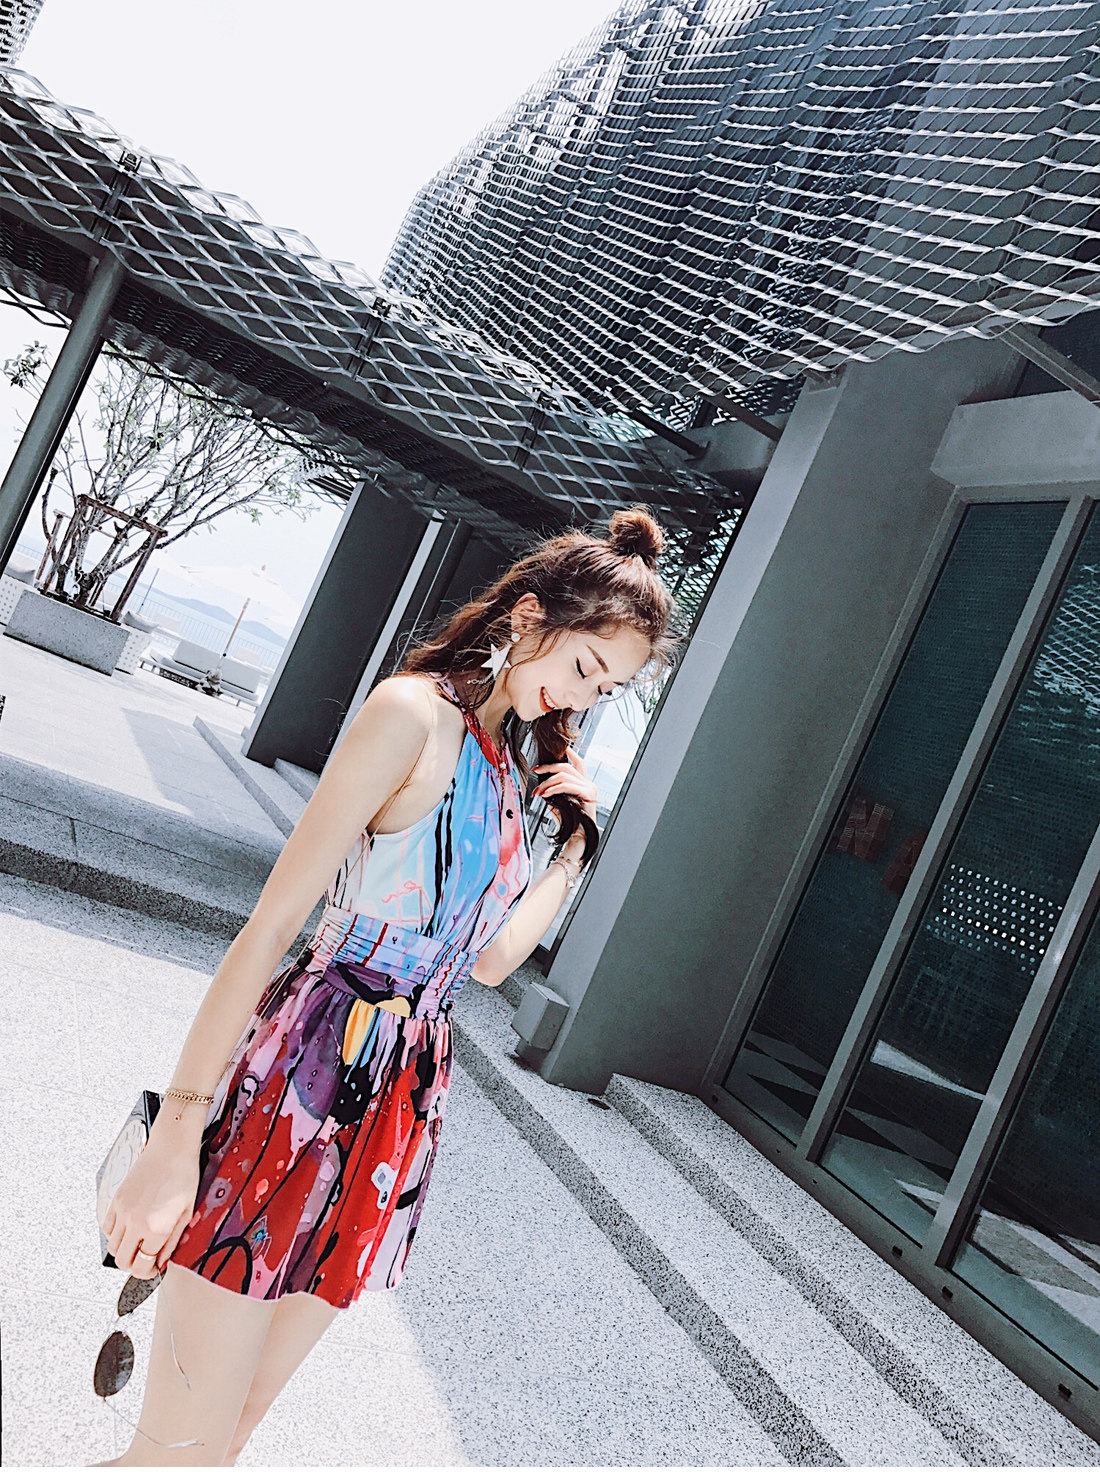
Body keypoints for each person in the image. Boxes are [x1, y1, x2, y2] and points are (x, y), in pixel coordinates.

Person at [94, 504, 682, 1466]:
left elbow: (489, 960)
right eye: (585, 667)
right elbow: (270, 929)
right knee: (178, 1453)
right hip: (304, 1073)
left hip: (396, 1106)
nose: (582, 698)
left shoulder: (505, 769)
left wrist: (576, 848)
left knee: (222, 1445)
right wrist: (173, 1141)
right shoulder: (411, 716)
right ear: (529, 617)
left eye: (606, 689)